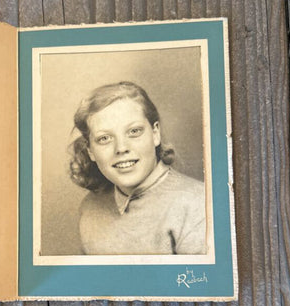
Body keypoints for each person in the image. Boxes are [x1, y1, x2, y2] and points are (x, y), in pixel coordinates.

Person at [69, 81, 206, 256]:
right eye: (104, 138)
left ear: (155, 134)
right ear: (91, 151)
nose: (121, 148)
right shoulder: (90, 208)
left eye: (134, 131)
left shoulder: (198, 206)